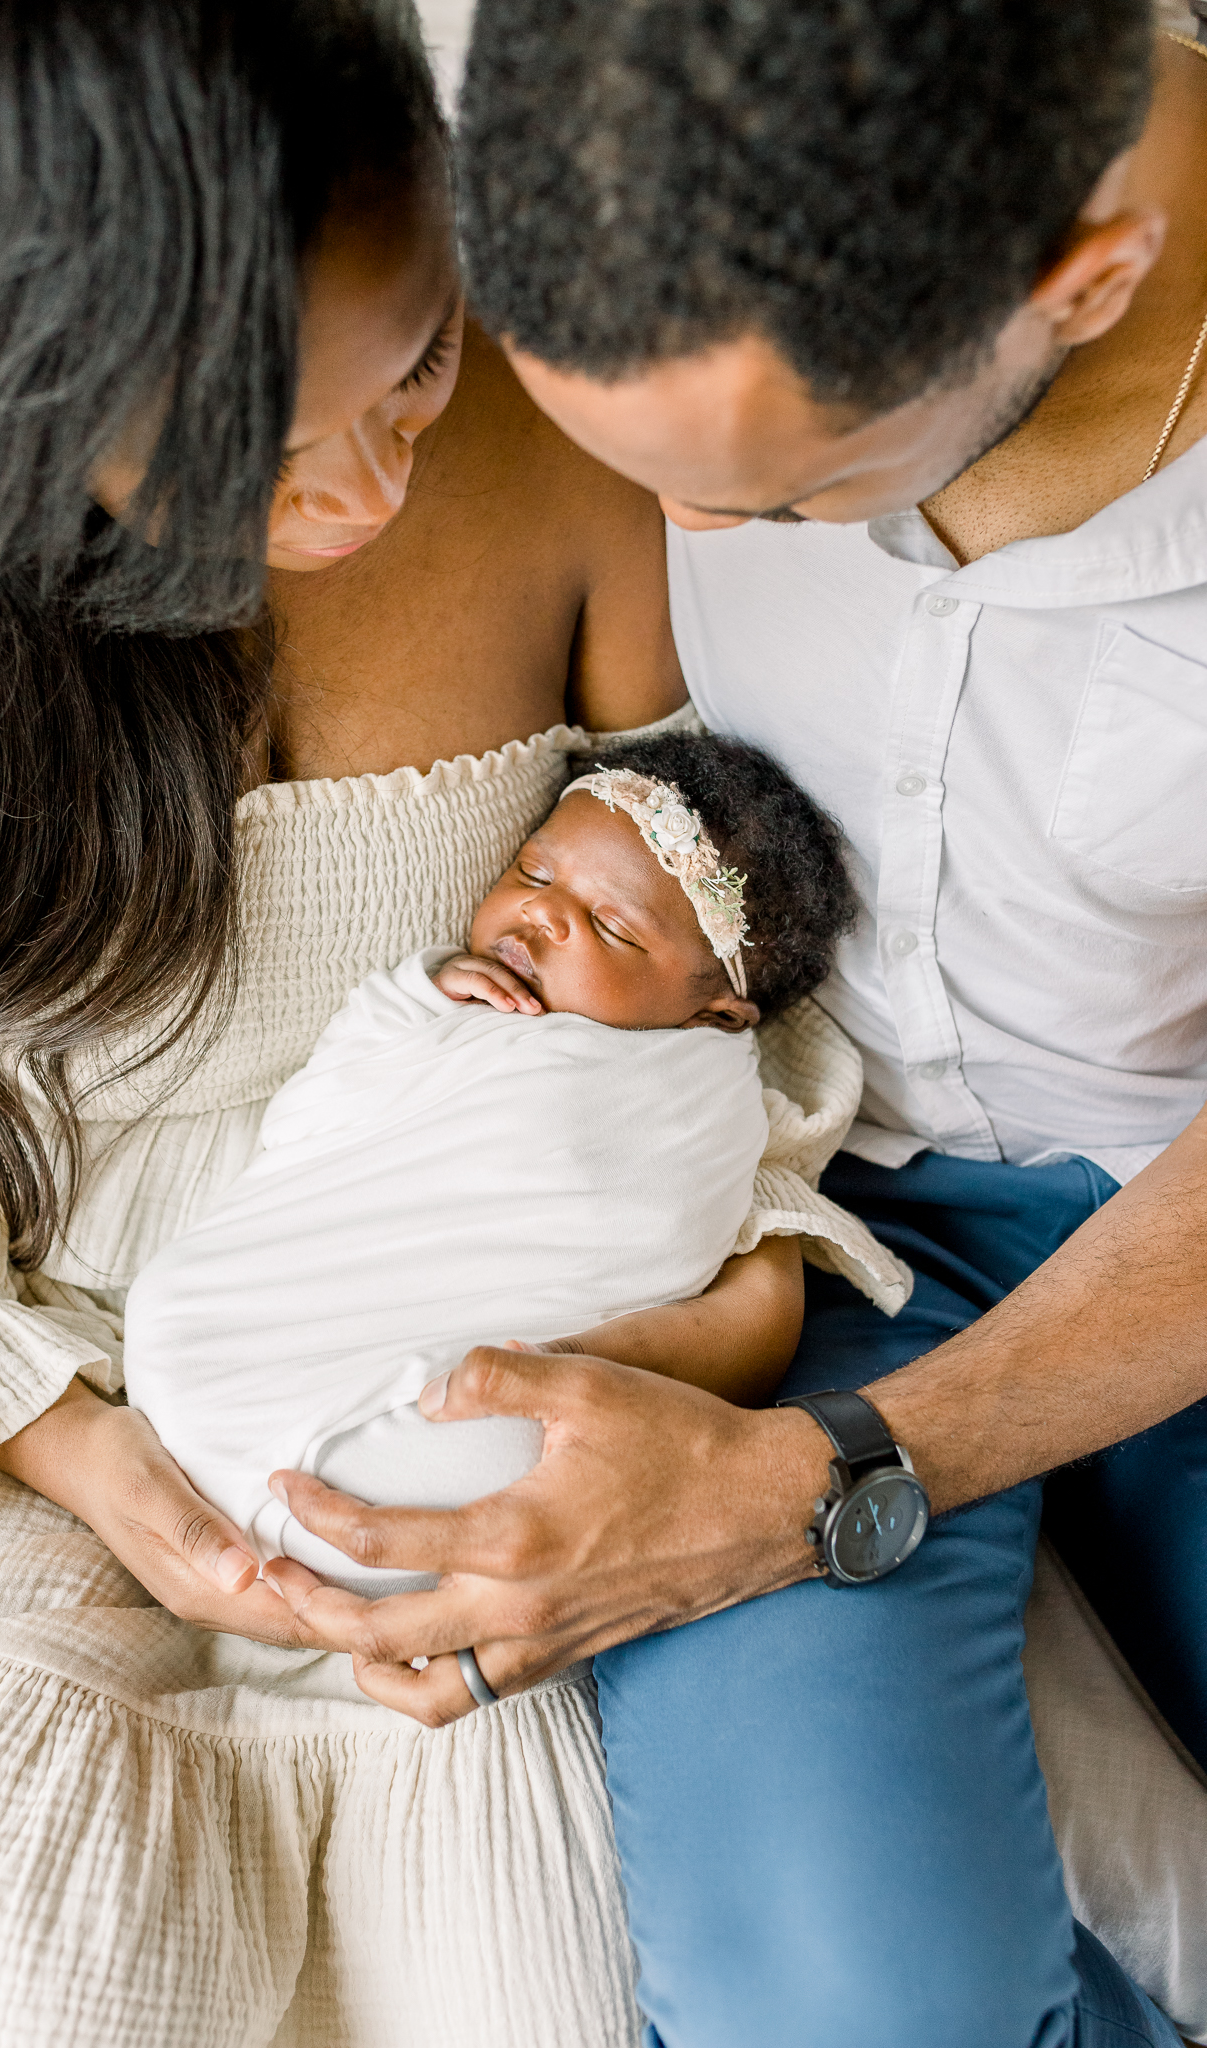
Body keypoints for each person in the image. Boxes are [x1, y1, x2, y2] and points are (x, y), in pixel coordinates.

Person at [0, 4, 870, 2040]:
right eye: (242, 464)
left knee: (533, 1975)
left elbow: (727, 973)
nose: (377, 486)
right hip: (14, 1402)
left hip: (475, 1378)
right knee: (24, 1968)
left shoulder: (578, 428)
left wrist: (684, 1345)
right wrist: (87, 1446)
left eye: (412, 369)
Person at [260, 5, 1207, 2046]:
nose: (709, 535)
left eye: (780, 503)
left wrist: (820, 1476)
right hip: (787, 1206)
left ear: (1088, 279)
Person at [123, 734, 880, 1592]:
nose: (544, 916)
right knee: (167, 1303)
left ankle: (324, 1529)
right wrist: (417, 995)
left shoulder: (699, 1095)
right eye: (533, 874)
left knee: (498, 1440)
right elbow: (310, 1126)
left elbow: (658, 1240)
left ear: (715, 1014)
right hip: (242, 1327)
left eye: (610, 927)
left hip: (404, 1420)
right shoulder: (456, 1004)